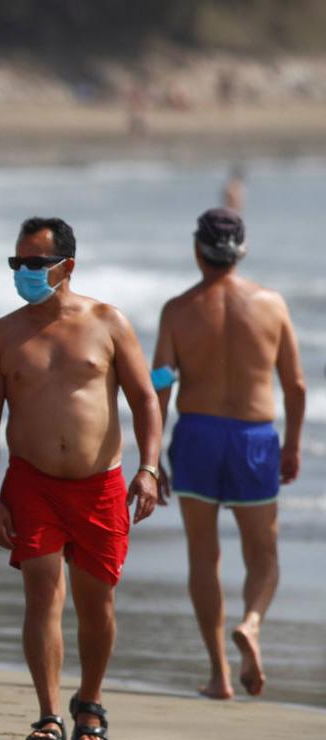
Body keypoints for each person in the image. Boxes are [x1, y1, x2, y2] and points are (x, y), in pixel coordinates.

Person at [0, 217, 161, 740]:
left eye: (35, 263)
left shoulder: (109, 323)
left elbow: (145, 399)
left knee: (97, 602)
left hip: (100, 483)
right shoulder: (2, 335)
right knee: (42, 593)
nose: (24, 273)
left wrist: (148, 468)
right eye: (17, 263)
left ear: (66, 266)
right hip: (31, 482)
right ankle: (48, 714)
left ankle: (90, 701)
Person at [152, 208, 305, 700]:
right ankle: (253, 624)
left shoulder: (176, 311)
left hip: (196, 435)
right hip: (254, 439)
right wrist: (293, 444)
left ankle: (219, 675)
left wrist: (151, 456)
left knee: (204, 556)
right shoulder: (271, 304)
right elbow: (296, 386)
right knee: (263, 555)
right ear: (243, 251)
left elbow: (160, 385)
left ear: (197, 250)